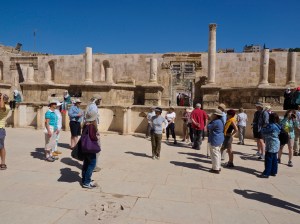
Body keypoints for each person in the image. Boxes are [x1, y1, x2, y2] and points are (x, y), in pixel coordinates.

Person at [81, 110, 100, 189]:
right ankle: (87, 182)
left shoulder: (85, 124)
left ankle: (85, 179)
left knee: (86, 163)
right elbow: (93, 137)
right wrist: (97, 136)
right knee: (92, 164)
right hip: (90, 148)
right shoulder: (91, 126)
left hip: (85, 147)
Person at [259, 113, 281, 178]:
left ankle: (266, 173)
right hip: (276, 142)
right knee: (274, 158)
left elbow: (263, 131)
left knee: (268, 158)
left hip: (271, 143)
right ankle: (273, 171)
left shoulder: (271, 126)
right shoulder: (277, 125)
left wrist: (262, 127)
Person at [85, 94, 102, 172]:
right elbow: (93, 119)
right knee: (96, 148)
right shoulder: (93, 107)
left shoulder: (90, 105)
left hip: (88, 128)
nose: (100, 101)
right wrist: (96, 130)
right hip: (92, 129)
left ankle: (89, 164)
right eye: (100, 100)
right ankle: (93, 166)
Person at [207, 109, 224, 174]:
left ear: (216, 115)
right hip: (219, 139)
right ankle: (218, 167)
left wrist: (210, 120)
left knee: (215, 154)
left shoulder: (215, 122)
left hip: (215, 139)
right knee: (218, 154)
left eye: (213, 114)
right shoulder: (220, 121)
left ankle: (215, 169)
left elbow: (208, 127)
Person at [0, 94, 10, 170]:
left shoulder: (7, 107)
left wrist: (2, 97)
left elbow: (1, 107)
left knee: (1, 147)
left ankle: (3, 163)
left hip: (0, 129)